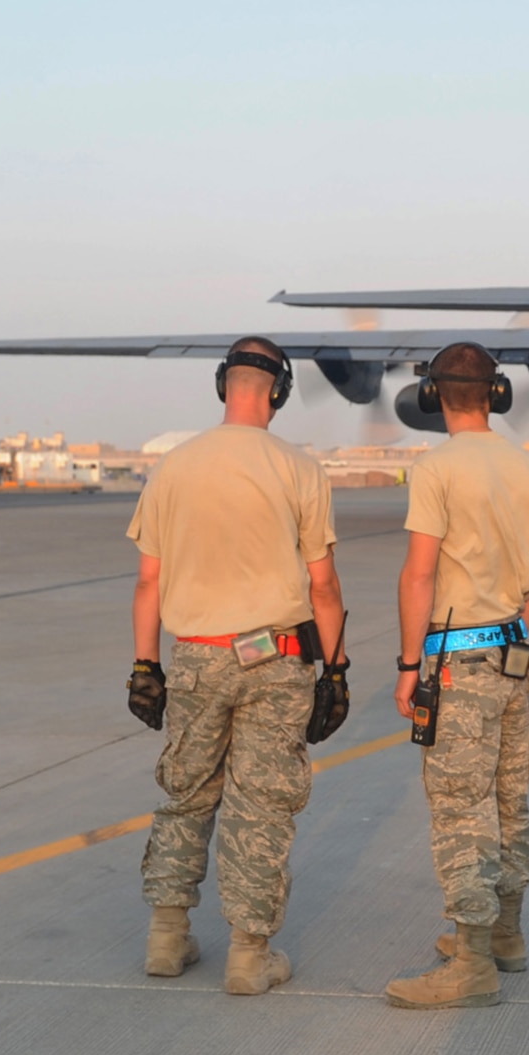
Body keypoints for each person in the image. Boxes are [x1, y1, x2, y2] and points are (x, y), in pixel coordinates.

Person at [122, 335, 345, 996]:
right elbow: (325, 586)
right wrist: (335, 672)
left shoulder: (173, 467)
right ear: (279, 391)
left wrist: (144, 666)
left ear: (224, 384)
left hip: (196, 656)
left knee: (186, 794)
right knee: (262, 805)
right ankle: (249, 955)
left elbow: (148, 582)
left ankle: (166, 938)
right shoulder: (299, 469)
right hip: (276, 658)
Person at [386, 341, 529, 1010]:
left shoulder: (435, 468)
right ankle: (505, 934)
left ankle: (470, 964)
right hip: (513, 655)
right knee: (507, 800)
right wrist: (509, 629)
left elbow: (419, 574)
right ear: (497, 394)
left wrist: (411, 666)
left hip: (456, 662)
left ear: (433, 395)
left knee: (462, 807)